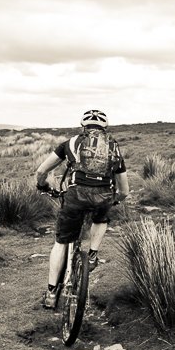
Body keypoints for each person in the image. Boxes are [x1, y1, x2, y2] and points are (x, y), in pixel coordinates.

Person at [36, 109, 130, 308]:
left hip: (75, 197)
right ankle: (93, 253)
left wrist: (42, 185)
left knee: (61, 242)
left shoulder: (70, 143)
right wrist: (115, 200)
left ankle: (52, 293)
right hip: (104, 196)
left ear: (83, 126)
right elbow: (124, 190)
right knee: (100, 218)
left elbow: (42, 170)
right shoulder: (114, 147)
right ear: (105, 127)